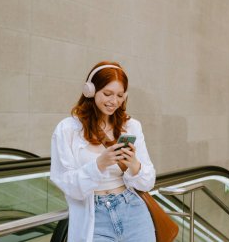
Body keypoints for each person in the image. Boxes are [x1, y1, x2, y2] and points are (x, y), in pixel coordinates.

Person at [50, 61, 156, 242]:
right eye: (107, 94)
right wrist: (100, 164)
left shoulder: (131, 126)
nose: (114, 101)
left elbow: (148, 183)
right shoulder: (68, 129)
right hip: (94, 218)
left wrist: (133, 164)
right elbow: (66, 183)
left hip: (133, 211)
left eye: (120, 96)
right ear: (90, 90)